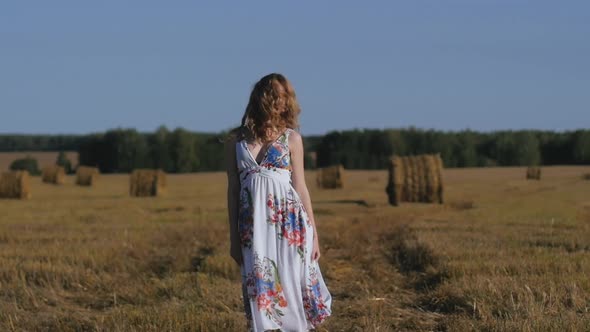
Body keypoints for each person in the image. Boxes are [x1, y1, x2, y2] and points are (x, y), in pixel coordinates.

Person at [225, 73, 332, 331]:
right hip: (253, 230)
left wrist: (314, 234)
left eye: (285, 97)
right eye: (275, 95)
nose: (280, 102)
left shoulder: (292, 139)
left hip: (291, 225)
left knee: (291, 285)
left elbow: (301, 188)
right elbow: (233, 190)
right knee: (261, 289)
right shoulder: (235, 141)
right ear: (261, 98)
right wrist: (233, 239)